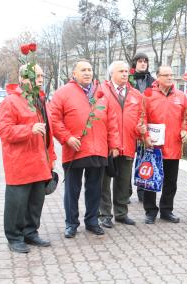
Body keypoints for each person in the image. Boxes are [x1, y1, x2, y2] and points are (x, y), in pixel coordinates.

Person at [50, 59, 121, 238]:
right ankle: (71, 223)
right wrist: (66, 138)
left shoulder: (102, 93)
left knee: (94, 189)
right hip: (75, 149)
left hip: (98, 149)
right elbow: (54, 119)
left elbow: (112, 120)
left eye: (90, 69)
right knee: (72, 190)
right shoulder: (63, 93)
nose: (88, 73)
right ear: (74, 74)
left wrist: (114, 144)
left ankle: (91, 221)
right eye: (83, 70)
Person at [0, 64, 56, 253]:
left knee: (35, 202)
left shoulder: (40, 100)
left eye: (41, 75)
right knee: (17, 203)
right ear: (23, 78)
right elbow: (3, 130)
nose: (40, 79)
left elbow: (48, 132)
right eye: (36, 76)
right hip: (20, 162)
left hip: (39, 161)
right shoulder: (11, 102)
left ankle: (31, 233)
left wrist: (51, 157)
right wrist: (28, 129)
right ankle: (14, 237)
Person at [99, 61, 147, 228]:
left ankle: (121, 213)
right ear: (111, 73)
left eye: (127, 71)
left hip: (127, 144)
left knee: (123, 181)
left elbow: (142, 118)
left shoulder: (136, 95)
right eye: (121, 71)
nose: (125, 74)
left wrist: (142, 129)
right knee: (104, 183)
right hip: (106, 146)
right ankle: (104, 214)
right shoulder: (101, 91)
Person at [142, 66, 187, 224]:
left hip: (173, 145)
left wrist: (185, 130)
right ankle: (150, 211)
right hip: (153, 146)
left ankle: (166, 210)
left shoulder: (181, 96)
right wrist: (146, 137)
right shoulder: (148, 95)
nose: (170, 78)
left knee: (171, 181)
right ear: (158, 77)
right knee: (151, 180)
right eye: (166, 75)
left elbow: (186, 117)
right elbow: (141, 117)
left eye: (171, 75)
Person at [130, 52, 155, 202]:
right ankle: (125, 192)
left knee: (144, 158)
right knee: (127, 158)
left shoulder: (153, 81)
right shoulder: (127, 79)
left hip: (146, 125)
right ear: (135, 63)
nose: (143, 63)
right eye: (140, 61)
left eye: (145, 61)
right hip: (129, 124)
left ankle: (142, 189)